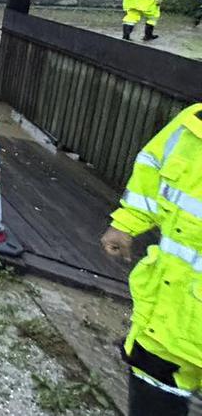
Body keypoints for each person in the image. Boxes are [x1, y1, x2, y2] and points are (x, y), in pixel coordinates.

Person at [101, 103, 202, 415]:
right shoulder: (192, 124)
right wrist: (126, 223)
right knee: (152, 391)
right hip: (167, 316)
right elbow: (151, 170)